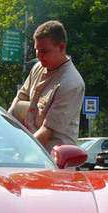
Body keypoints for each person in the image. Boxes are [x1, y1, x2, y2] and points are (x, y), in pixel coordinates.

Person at [9, 20, 85, 152]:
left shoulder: (71, 83)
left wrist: (21, 151)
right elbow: (20, 98)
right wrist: (6, 126)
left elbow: (46, 131)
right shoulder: (38, 68)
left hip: (55, 161)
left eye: (44, 51)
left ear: (61, 48)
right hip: (32, 151)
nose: (39, 56)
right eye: (37, 50)